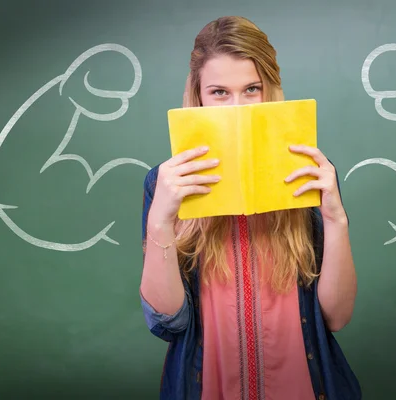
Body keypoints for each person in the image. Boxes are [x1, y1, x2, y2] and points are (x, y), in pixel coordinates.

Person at [140, 16, 361, 400]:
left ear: (270, 91)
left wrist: (336, 220)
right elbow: (169, 324)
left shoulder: (310, 174)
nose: (237, 108)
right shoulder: (165, 183)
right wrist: (161, 219)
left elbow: (336, 318)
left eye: (251, 89)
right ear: (198, 96)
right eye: (220, 92)